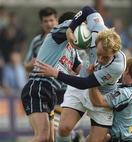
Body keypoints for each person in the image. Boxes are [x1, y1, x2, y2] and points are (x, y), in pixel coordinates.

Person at [35, 6, 126, 142]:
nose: (99, 60)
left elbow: (86, 84)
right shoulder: (98, 29)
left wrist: (56, 73)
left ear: (114, 52)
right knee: (63, 128)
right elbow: (87, 10)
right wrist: (71, 30)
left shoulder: (117, 66)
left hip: (102, 96)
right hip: (80, 86)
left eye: (105, 57)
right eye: (98, 54)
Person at [21, 12, 82, 142]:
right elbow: (70, 27)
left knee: (50, 139)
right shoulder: (57, 34)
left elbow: (81, 71)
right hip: (38, 86)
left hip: (53, 92)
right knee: (42, 136)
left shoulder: (72, 50)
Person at [88, 57, 132, 142]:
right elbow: (118, 87)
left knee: (94, 139)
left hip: (124, 139)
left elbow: (98, 101)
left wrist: (92, 80)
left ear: (127, 71)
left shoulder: (125, 94)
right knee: (91, 139)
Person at [24, 7, 58, 72]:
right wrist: (32, 64)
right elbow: (26, 67)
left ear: (57, 21)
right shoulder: (36, 41)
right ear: (41, 24)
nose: (49, 24)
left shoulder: (64, 40)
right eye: (45, 21)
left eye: (51, 20)